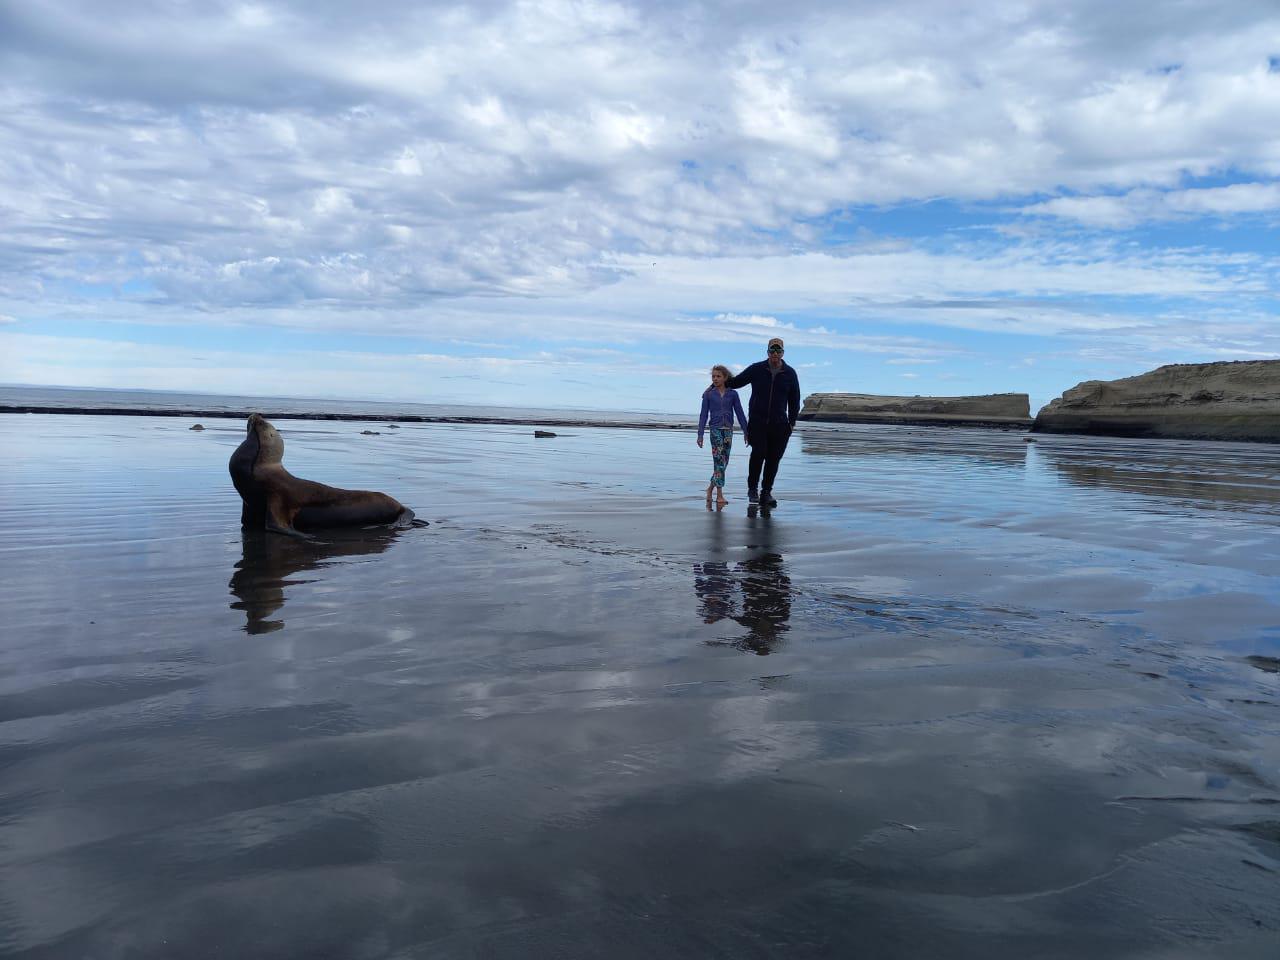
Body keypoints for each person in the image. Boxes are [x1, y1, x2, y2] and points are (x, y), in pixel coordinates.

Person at [726, 337, 801, 507]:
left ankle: (766, 492)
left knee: (774, 459)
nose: (775, 354)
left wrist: (792, 423)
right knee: (758, 453)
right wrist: (717, 383)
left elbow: (795, 399)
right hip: (758, 421)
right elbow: (736, 382)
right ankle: (752, 489)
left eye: (778, 351)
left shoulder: (790, 373)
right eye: (772, 351)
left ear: (782, 353)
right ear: (767, 352)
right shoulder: (757, 369)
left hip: (780, 424)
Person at [697, 364, 749, 506]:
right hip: (715, 430)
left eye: (718, 376)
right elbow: (703, 415)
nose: (715, 378)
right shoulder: (708, 395)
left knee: (724, 463)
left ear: (725, 377)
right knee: (719, 462)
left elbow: (740, 413)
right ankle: (719, 495)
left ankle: (709, 489)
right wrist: (700, 434)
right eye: (713, 376)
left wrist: (746, 431)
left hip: (728, 431)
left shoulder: (733, 394)